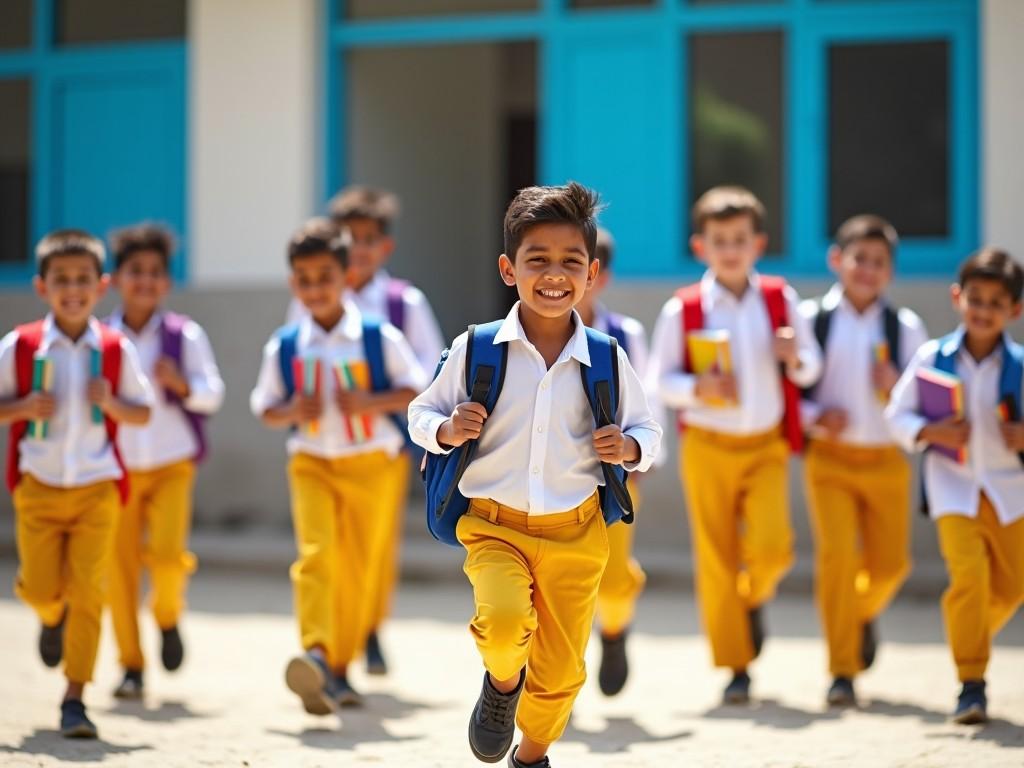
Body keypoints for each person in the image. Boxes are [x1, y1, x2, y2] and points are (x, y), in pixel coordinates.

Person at [409, 182, 662, 767]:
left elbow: (649, 434)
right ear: (508, 268)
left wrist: (626, 447)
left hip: (577, 534)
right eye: (537, 260)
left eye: (571, 261)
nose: (554, 274)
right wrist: (446, 430)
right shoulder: (477, 349)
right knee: (502, 626)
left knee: (562, 670)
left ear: (592, 273)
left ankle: (533, 755)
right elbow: (420, 412)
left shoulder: (606, 357)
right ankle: (500, 687)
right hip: (494, 527)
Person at [647, 186, 821, 704]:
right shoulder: (683, 309)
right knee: (716, 557)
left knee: (773, 549)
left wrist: (794, 356)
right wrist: (696, 388)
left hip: (765, 444)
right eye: (719, 239)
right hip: (706, 445)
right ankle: (736, 666)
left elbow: (811, 366)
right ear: (700, 246)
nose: (730, 249)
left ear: (758, 244)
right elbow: (658, 380)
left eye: (739, 239)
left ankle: (752, 599)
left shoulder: (780, 298)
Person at [250, 218, 426, 713]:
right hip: (310, 462)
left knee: (357, 569)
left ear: (347, 275)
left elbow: (416, 388)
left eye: (324, 276)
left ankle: (341, 668)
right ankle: (317, 652)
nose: (314, 289)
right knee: (316, 556)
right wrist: (289, 412)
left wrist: (370, 402)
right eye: (303, 280)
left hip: (372, 463)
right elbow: (264, 405)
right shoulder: (286, 343)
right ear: (293, 285)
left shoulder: (378, 335)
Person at [0, 230, 153, 737]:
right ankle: (50, 614)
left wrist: (111, 402)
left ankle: (75, 696)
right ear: (41, 287)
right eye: (61, 279)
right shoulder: (19, 346)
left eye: (83, 279)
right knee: (41, 587)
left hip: (97, 486)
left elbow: (143, 411)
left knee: (91, 590)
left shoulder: (114, 348)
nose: (72, 289)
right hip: (38, 485)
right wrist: (20, 407)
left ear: (101, 285)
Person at [885, 247, 1024, 724]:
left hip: (1011, 493)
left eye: (996, 303)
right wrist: (930, 431)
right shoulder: (932, 356)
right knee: (968, 580)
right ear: (956, 297)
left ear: (1015, 310)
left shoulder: (1022, 365)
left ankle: (966, 635)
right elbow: (897, 414)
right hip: (953, 490)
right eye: (976, 298)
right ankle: (972, 683)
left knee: (1012, 586)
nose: (984, 311)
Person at [105, 223, 226, 698]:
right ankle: (131, 665)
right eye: (135, 271)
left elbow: (212, 395)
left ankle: (167, 615)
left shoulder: (184, 335)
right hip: (112, 467)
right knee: (119, 569)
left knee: (169, 558)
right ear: (116, 279)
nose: (145, 281)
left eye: (155, 272)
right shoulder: (101, 339)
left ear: (167, 282)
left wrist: (180, 384)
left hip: (173, 462)